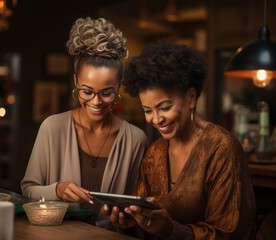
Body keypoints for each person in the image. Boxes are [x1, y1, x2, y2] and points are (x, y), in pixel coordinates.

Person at [104, 42, 256, 239]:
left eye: (165, 107)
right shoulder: (155, 153)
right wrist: (131, 222)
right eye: (148, 111)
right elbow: (145, 221)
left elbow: (230, 232)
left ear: (191, 98)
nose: (156, 120)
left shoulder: (222, 148)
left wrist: (171, 230)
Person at [21, 17, 148, 227]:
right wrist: (58, 190)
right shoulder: (53, 128)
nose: (96, 102)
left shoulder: (135, 139)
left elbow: (136, 207)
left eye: (107, 93)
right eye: (87, 91)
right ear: (75, 81)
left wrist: (129, 217)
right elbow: (28, 190)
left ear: (118, 87)